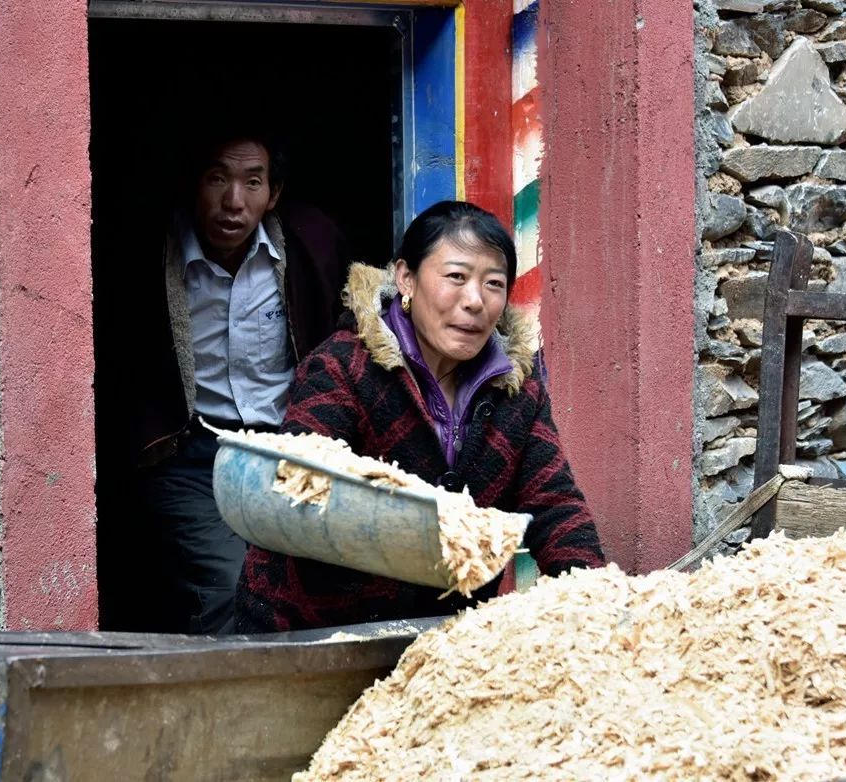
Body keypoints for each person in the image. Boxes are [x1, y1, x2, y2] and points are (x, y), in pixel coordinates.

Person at [235, 200, 605, 633]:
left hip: (439, 642)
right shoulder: (343, 366)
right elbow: (300, 488)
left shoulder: (517, 390)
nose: (474, 301)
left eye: (493, 283)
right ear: (406, 278)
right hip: (312, 632)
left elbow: (554, 504)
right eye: (456, 277)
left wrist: (595, 604)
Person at [134, 129, 350, 634]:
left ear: (273, 194)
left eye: (253, 182)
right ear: (193, 184)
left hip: (287, 453)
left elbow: (351, 332)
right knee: (228, 584)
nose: (233, 202)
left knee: (316, 585)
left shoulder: (309, 247)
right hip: (190, 458)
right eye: (217, 179)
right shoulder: (152, 251)